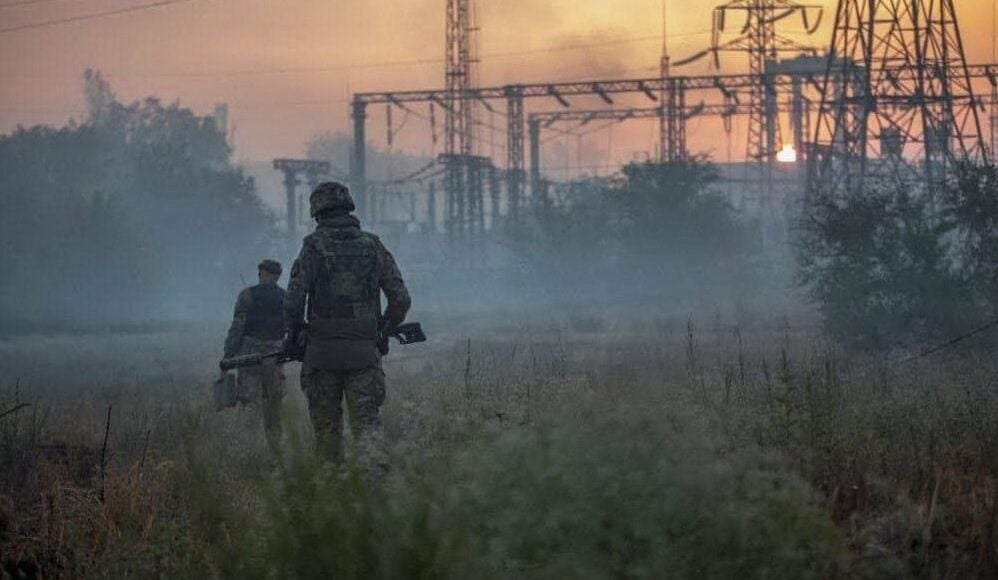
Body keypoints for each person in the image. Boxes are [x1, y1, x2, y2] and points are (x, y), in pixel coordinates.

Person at [284, 181, 410, 476]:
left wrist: (297, 333)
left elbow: (292, 302)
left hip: (321, 356)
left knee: (327, 439)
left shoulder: (312, 247)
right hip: (364, 356)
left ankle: (332, 502)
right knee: (368, 432)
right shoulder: (372, 245)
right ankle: (375, 499)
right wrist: (383, 329)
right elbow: (401, 298)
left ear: (317, 212)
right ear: (348, 207)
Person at [222, 259, 287, 456]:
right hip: (274, 357)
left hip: (249, 357)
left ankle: (246, 451)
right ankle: (276, 452)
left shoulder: (247, 296)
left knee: (250, 404)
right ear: (277, 276)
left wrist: (227, 356)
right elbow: (290, 327)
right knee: (273, 405)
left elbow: (237, 329)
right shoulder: (286, 297)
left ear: (262, 273)